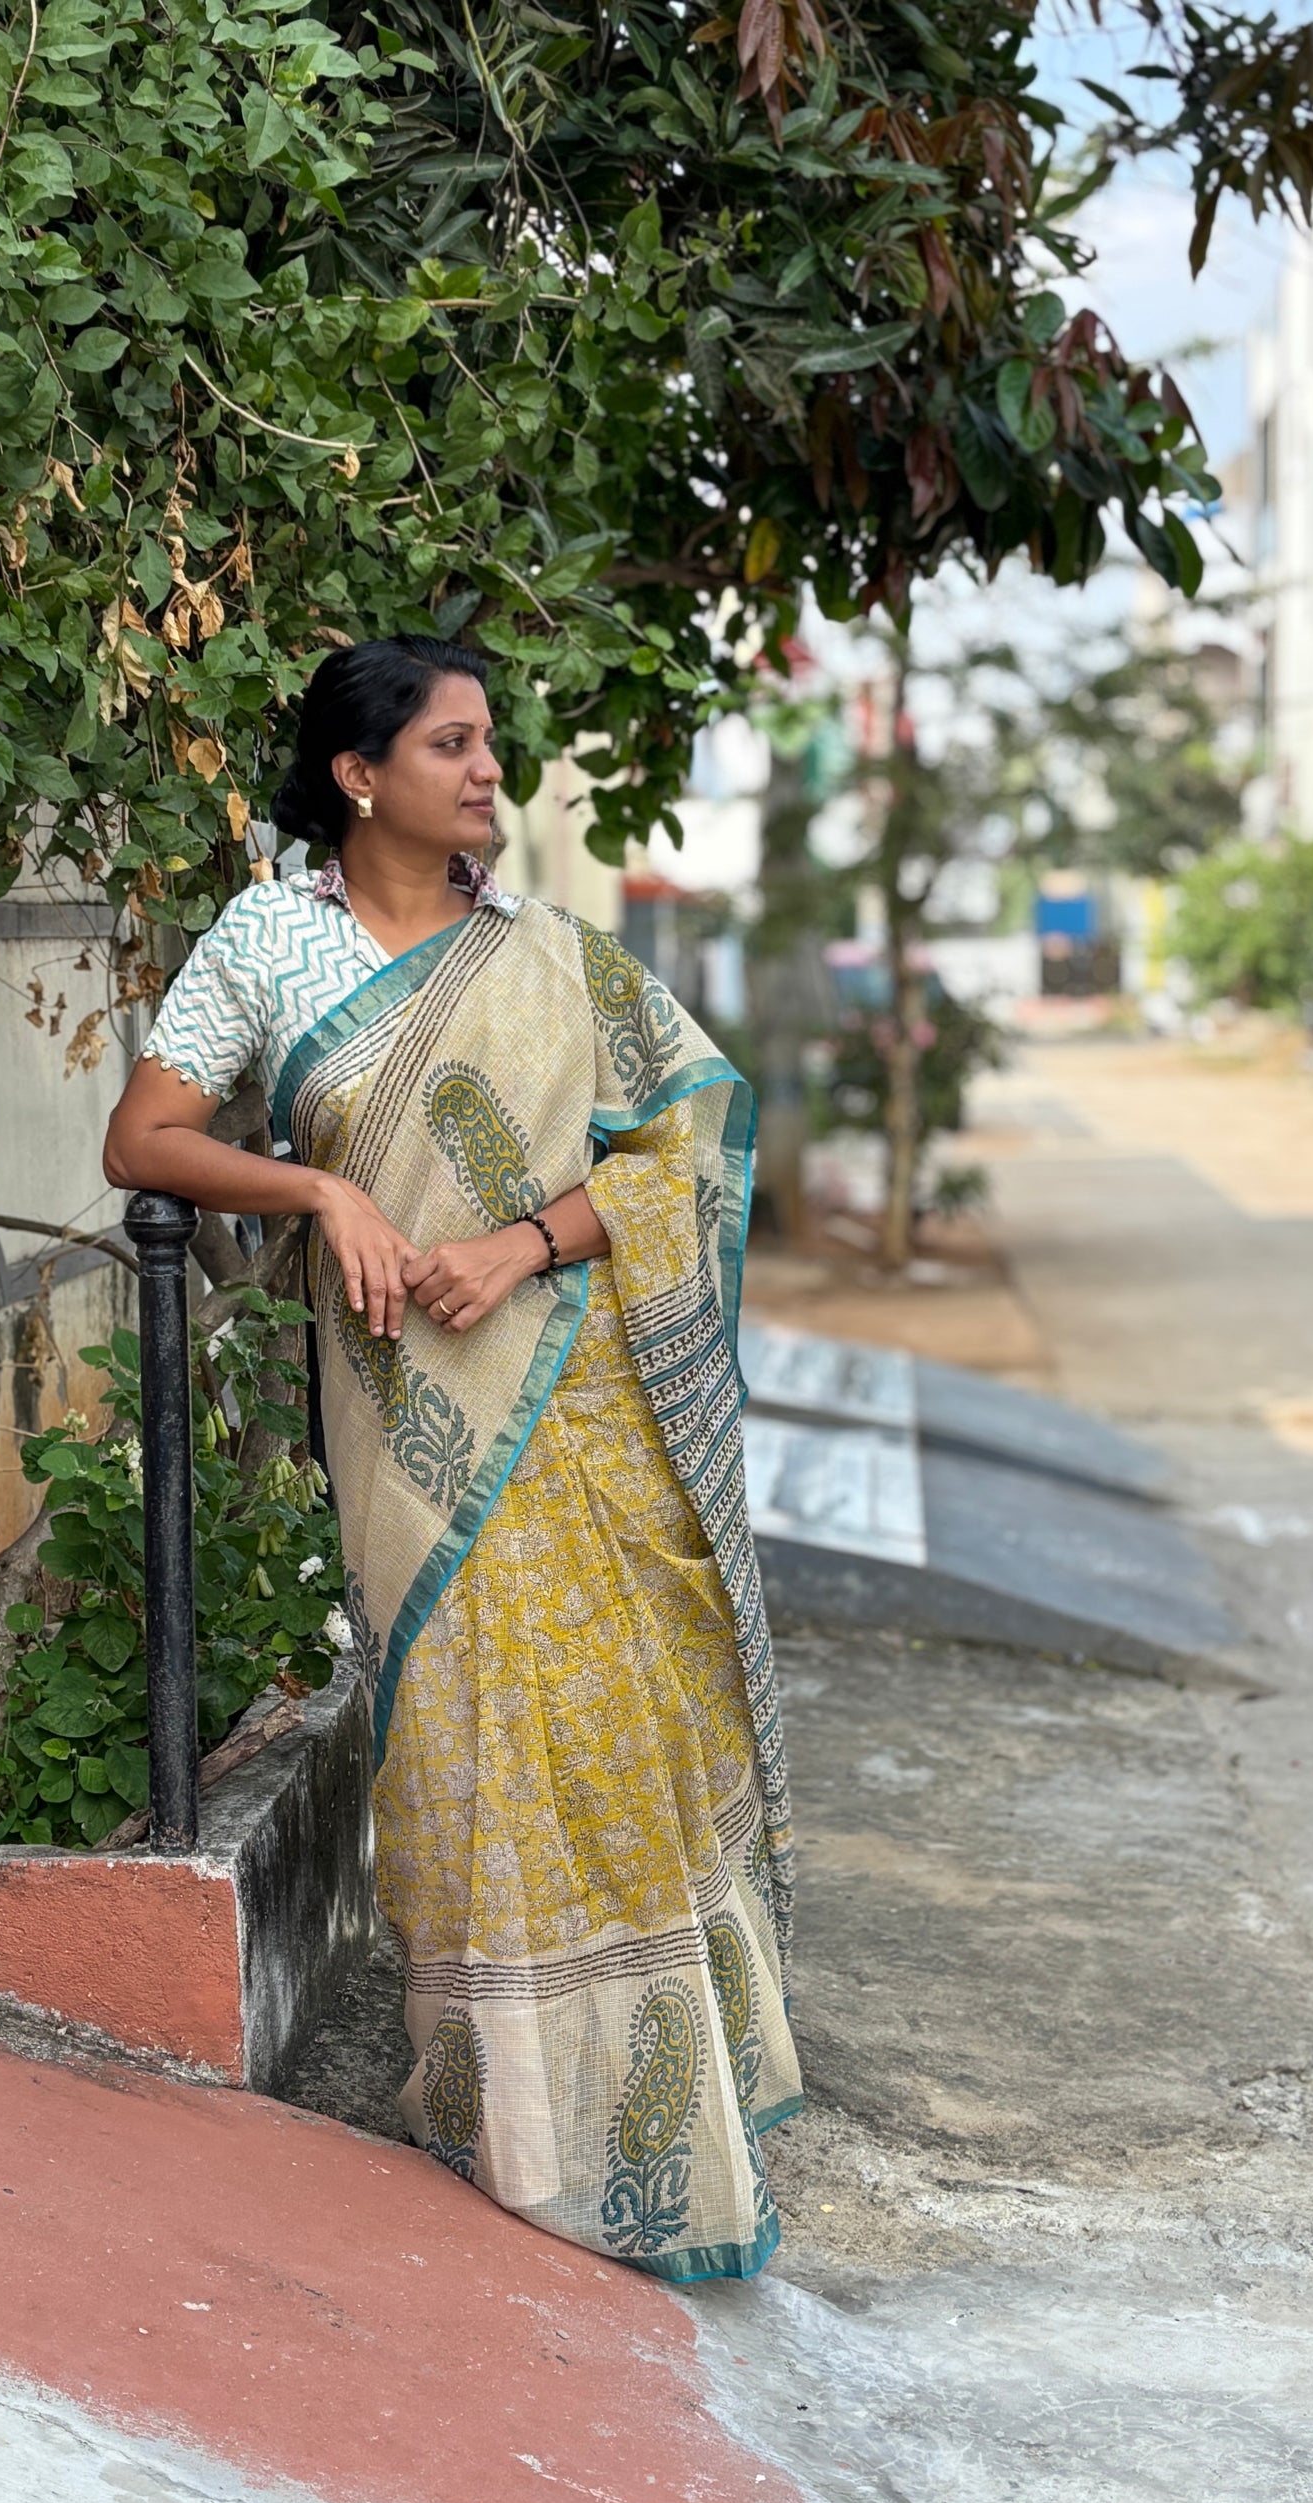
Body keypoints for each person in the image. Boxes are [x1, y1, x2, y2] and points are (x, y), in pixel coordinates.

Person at [104, 635, 801, 2281]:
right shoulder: (268, 939)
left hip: (582, 1398)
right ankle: (513, 2113)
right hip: (412, 1412)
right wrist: (323, 1192)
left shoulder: (544, 947)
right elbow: (148, 1137)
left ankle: (647, 2124)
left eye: (491, 744)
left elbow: (685, 1133)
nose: (489, 771)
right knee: (471, 1732)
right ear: (359, 775)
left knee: (610, 1726)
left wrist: (529, 1242)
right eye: (453, 743)